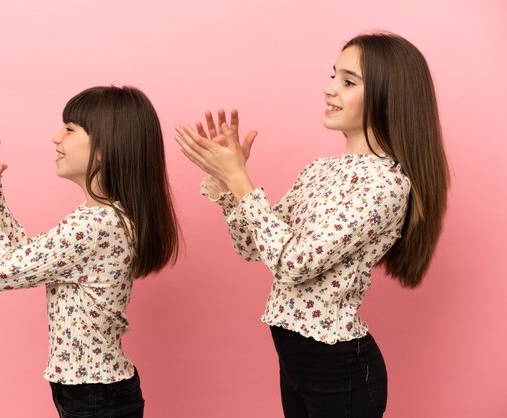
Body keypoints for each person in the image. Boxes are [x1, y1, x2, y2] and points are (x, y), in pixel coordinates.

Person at [175, 32, 449, 417]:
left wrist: (240, 180)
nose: (329, 89)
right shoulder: (319, 169)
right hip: (295, 362)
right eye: (333, 76)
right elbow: (253, 246)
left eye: (348, 82)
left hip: (340, 372)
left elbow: (295, 264)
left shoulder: (386, 184)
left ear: (389, 96)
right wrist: (227, 185)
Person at [0, 86, 180, 418]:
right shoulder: (99, 217)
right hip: (90, 391)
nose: (55, 138)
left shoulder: (97, 225)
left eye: (69, 129)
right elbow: (24, 257)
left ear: (103, 149)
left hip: (96, 396)